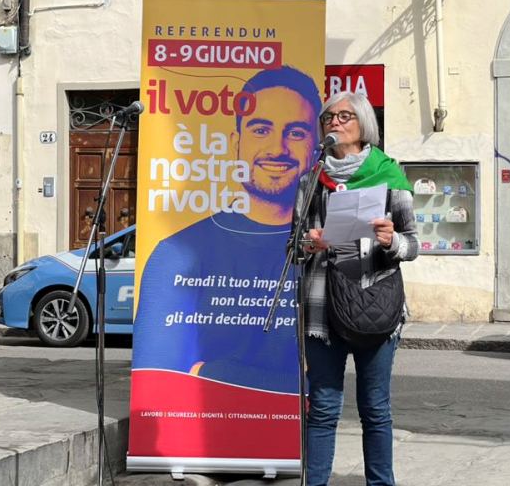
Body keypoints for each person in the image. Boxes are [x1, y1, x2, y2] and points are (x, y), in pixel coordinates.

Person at [132, 65, 322, 393]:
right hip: (195, 437)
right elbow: (157, 383)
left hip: (290, 436)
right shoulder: (175, 254)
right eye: (261, 130)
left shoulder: (321, 245)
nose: (278, 148)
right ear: (236, 143)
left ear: (316, 147)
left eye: (295, 132)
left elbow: (320, 385)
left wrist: (208, 371)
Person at [294, 92, 418, 486]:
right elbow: (291, 248)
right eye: (328, 116)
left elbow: (414, 244)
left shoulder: (390, 176)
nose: (334, 122)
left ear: (364, 123)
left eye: (344, 115)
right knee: (324, 408)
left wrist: (389, 240)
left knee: (375, 409)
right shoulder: (311, 180)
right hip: (321, 310)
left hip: (375, 304)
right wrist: (309, 243)